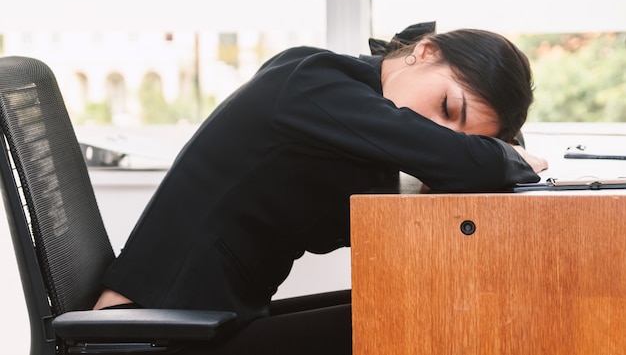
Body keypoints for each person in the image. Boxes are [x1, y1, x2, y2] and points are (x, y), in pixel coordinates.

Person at [93, 22, 547, 354]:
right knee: (426, 320)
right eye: (448, 107)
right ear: (425, 52)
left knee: (422, 306)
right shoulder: (314, 83)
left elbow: (448, 160)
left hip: (212, 322)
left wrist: (489, 151)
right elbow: (453, 159)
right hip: (157, 330)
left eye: (454, 131)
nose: (432, 132)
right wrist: (502, 157)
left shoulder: (349, 120)